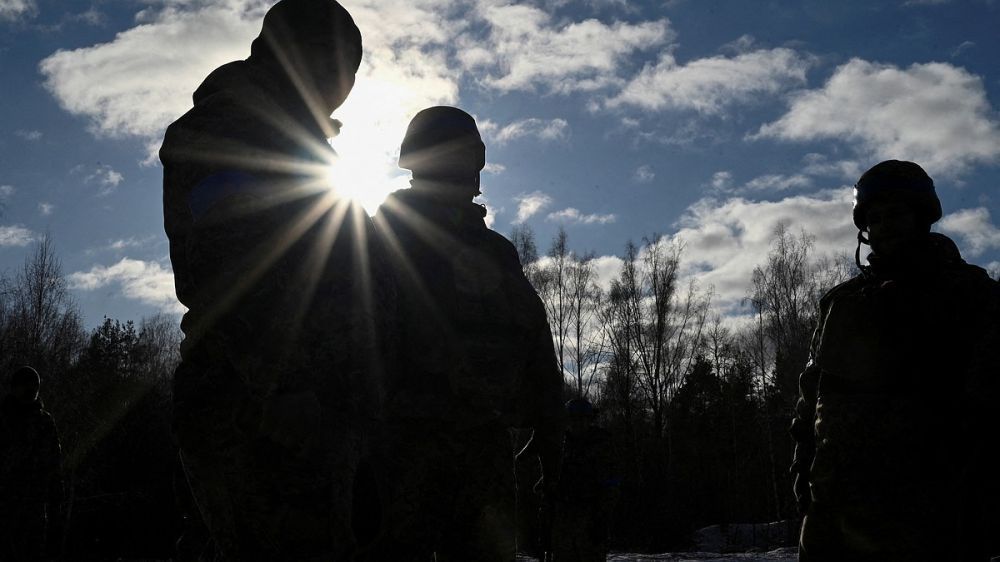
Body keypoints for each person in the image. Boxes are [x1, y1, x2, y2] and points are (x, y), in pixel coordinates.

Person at [160, 0, 390, 559]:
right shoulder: (234, 124)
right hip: (261, 408)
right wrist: (283, 386)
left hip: (313, 407)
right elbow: (228, 264)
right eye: (341, 68)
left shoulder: (298, 143)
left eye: (353, 74)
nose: (346, 87)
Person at [370, 106, 564, 561]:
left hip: (484, 454)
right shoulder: (382, 238)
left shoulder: (496, 252)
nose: (472, 168)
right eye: (460, 156)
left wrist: (551, 431)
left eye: (473, 157)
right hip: (403, 451)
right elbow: (357, 342)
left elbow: (535, 341)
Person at [790, 160, 1000, 561]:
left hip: (935, 514)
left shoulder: (973, 295)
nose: (886, 225)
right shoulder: (841, 303)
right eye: (876, 217)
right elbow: (812, 396)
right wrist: (804, 473)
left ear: (922, 217)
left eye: (897, 214)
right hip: (835, 513)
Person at [0, 366, 64, 562]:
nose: (30, 390)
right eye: (25, 385)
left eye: (34, 386)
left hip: (35, 506)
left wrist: (56, 502)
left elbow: (55, 463)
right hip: (6, 504)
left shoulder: (45, 421)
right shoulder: (3, 418)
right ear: (14, 388)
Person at [548, 398, 617, 562]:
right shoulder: (560, 445)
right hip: (564, 520)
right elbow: (552, 480)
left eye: (582, 418)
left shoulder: (602, 445)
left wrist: (602, 515)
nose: (577, 423)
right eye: (573, 419)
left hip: (591, 519)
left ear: (589, 419)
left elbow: (612, 484)